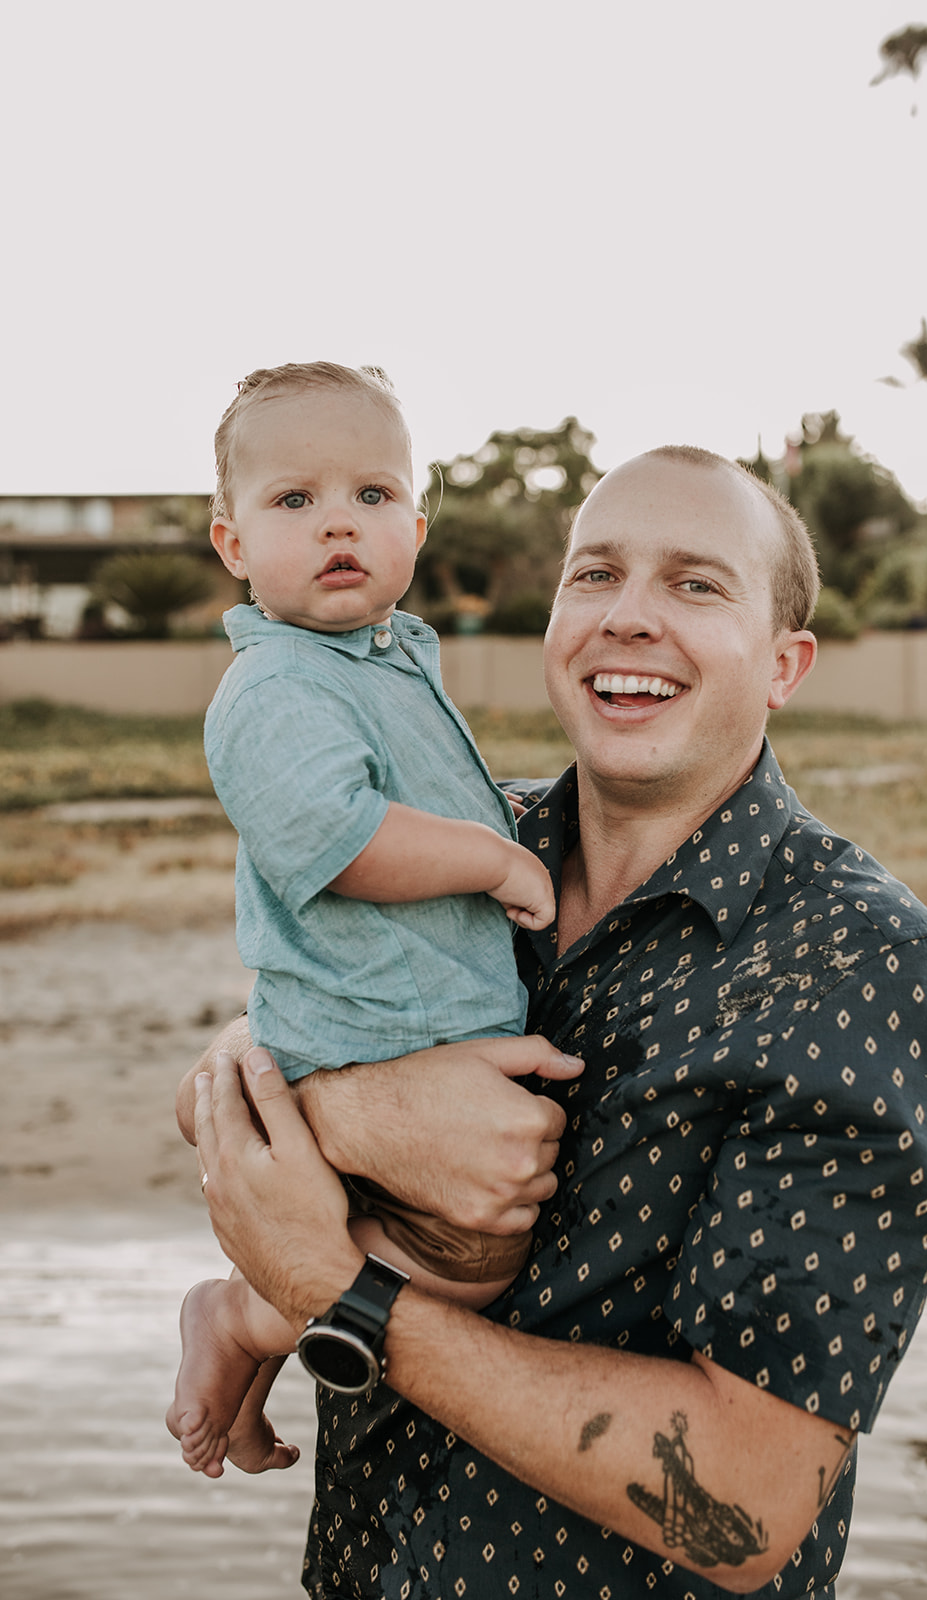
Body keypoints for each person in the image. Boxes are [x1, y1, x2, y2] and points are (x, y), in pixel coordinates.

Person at [185, 446, 927, 1598]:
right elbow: (217, 1079)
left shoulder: (866, 972)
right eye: (593, 574)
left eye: (694, 585)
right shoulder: (454, 846)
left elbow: (745, 1507)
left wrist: (341, 1294)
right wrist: (358, 1109)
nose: (626, 617)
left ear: (782, 664)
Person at [166, 362, 569, 1480]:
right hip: (361, 1038)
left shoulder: (385, 658)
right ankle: (244, 1317)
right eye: (293, 501)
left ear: (418, 525)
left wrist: (511, 817)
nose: (338, 520)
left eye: (372, 496)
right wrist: (492, 858)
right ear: (232, 544)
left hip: (414, 1026)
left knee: (387, 1258)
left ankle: (240, 1364)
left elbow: (433, 793)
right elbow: (338, 840)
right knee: (475, 1262)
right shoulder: (275, 686)